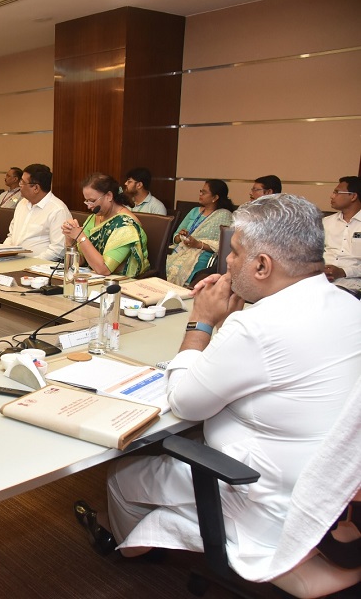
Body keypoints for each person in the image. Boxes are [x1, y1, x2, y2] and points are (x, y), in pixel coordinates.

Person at [93, 194, 361, 583]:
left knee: (121, 475)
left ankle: (129, 550)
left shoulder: (259, 327)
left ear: (262, 265)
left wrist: (200, 323)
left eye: (234, 252)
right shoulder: (348, 305)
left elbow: (185, 402)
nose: (227, 261)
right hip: (330, 493)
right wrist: (231, 325)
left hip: (260, 497)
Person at [61, 173, 149, 276]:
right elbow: (79, 261)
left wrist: (80, 237)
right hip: (94, 277)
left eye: (92, 201)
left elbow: (104, 269)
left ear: (109, 196)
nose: (89, 207)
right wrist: (69, 239)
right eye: (87, 201)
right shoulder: (94, 218)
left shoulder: (126, 225)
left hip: (120, 282)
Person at [166, 179, 236, 286]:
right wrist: (181, 237)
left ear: (215, 197)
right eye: (201, 191)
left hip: (204, 254)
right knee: (166, 268)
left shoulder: (224, 215)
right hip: (181, 250)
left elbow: (223, 246)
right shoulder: (194, 211)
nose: (200, 194)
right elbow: (175, 237)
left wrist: (197, 244)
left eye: (204, 192)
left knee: (179, 271)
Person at [5, 164, 71, 260]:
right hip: (13, 260)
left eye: (22, 182)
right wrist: (3, 254)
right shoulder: (22, 204)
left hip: (39, 264)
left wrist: (32, 263)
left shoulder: (58, 210)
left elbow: (58, 250)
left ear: (36, 188)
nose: (19, 185)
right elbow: (11, 236)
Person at [322, 175, 360, 290]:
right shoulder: (326, 222)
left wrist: (343, 271)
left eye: (337, 192)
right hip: (321, 280)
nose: (332, 196)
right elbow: (312, 253)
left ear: (353, 196)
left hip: (352, 284)